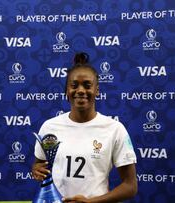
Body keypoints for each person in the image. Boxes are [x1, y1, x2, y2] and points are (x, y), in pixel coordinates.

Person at [32, 52, 137, 203]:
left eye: (87, 85)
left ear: (97, 90)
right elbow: (38, 164)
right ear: (66, 91)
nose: (80, 90)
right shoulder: (49, 127)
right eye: (74, 85)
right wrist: (36, 170)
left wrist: (90, 202)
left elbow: (130, 186)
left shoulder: (114, 129)